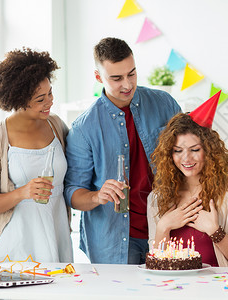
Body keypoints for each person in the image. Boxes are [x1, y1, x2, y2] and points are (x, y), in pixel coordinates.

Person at [64, 37, 181, 264]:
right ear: (99, 77)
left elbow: (191, 150)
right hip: (113, 240)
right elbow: (72, 193)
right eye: (116, 78)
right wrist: (97, 196)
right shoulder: (83, 128)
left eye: (132, 74)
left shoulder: (164, 103)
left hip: (167, 227)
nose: (127, 85)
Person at [0, 48, 73, 263]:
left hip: (57, 237)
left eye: (50, 93)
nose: (49, 102)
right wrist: (22, 193)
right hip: (15, 244)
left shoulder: (56, 125)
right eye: (40, 99)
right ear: (19, 100)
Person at [147, 109, 228, 267]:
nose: (186, 158)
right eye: (178, 151)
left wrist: (215, 232)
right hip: (174, 289)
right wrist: (163, 227)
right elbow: (156, 264)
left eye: (195, 150)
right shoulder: (157, 198)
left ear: (209, 151)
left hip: (219, 289)